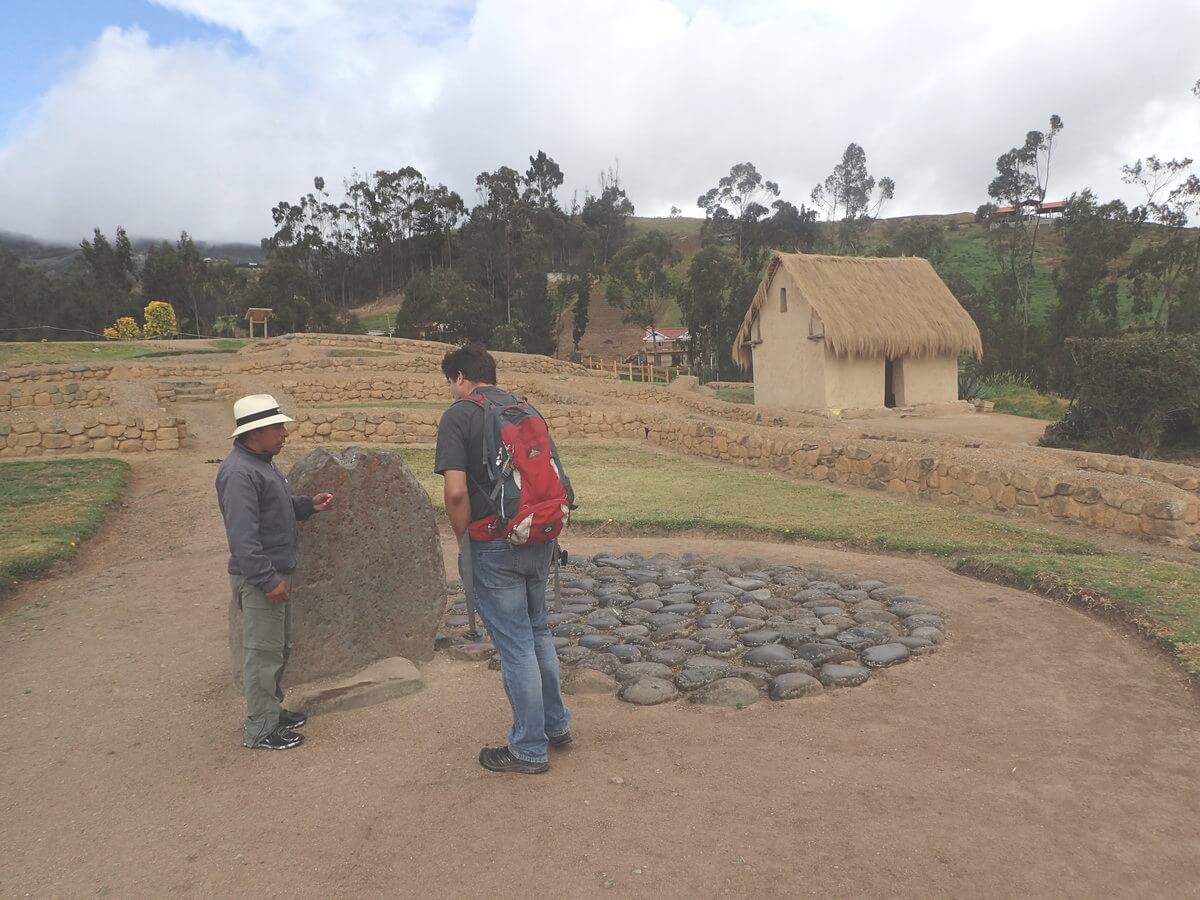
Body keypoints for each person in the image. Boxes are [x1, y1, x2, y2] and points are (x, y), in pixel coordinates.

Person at [435, 343, 572, 775]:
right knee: (537, 633)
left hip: (492, 544)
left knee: (515, 646)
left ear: (459, 377)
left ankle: (529, 749)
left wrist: (464, 542)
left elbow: (456, 492)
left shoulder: (459, 415)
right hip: (538, 535)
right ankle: (556, 726)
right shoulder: (524, 407)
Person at [216, 394, 334, 750]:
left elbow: (274, 509)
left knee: (277, 649)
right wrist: (267, 580)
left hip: (272, 573)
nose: (285, 433)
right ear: (256, 431)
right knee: (263, 653)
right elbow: (243, 538)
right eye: (278, 427)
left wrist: (307, 506)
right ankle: (260, 729)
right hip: (260, 578)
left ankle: (271, 709)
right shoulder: (239, 473)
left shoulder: (261, 464)